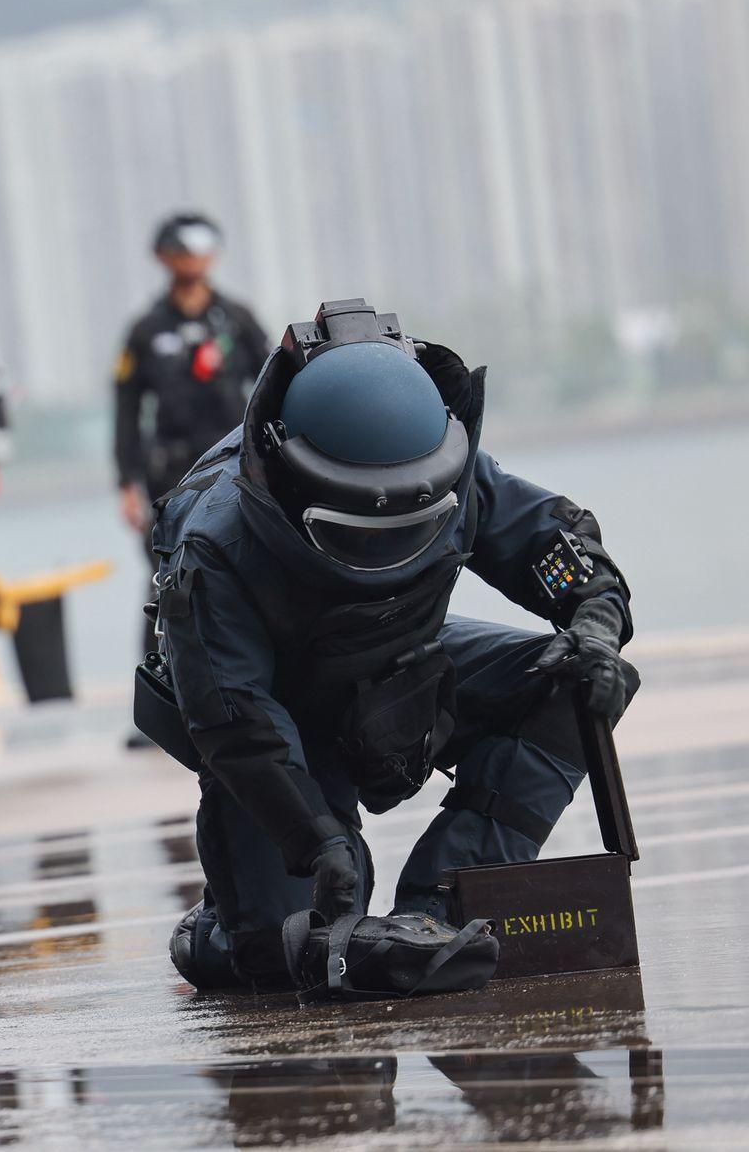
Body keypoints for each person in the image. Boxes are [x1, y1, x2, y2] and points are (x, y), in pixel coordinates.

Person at [134, 299, 638, 991]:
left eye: (411, 520)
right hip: (279, 718)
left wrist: (597, 622)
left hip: (405, 669)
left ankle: (444, 904)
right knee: (290, 955)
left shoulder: (448, 466)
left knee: (577, 681)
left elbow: (555, 545)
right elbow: (237, 720)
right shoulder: (216, 544)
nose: (388, 539)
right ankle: (218, 933)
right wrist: (320, 843)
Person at [113, 212, 271, 653]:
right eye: (181, 248)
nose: (192, 258)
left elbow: (274, 381)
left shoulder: (236, 320)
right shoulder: (146, 331)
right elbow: (126, 411)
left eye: (201, 247)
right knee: (165, 578)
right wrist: (126, 483)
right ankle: (156, 696)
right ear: (162, 256)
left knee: (249, 569)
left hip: (235, 467)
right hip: (171, 475)